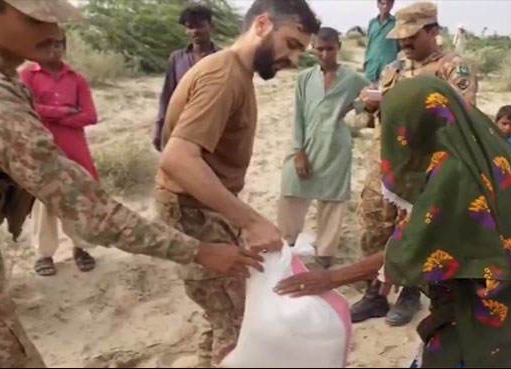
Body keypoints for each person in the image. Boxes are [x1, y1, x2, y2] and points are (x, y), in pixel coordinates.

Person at [0, 0, 262, 367]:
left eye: (58, 22)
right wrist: (200, 251)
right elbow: (94, 215)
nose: (55, 33)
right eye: (37, 19)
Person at [275, 76, 511, 368]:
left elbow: (414, 247)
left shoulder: (454, 170)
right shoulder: (482, 144)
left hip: (495, 304)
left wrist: (330, 279)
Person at [155, 0, 320, 365]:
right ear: (262, 25)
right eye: (291, 44)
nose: (293, 60)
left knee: (221, 314)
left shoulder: (236, 72)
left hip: (208, 209)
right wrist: (251, 221)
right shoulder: (223, 76)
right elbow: (178, 158)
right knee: (237, 325)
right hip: (193, 213)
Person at [351, 1, 479, 327]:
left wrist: (395, 101)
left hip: (425, 170)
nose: (405, 43)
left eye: (412, 36)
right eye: (401, 37)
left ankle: (409, 294)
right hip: (383, 167)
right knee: (373, 228)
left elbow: (458, 115)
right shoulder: (393, 68)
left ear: (433, 31)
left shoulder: (454, 69)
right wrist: (368, 105)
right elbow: (373, 117)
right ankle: (374, 295)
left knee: (413, 235)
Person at [278, 27, 369, 269]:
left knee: (332, 200)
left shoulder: (352, 79)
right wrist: (298, 151)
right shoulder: (305, 78)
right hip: (306, 144)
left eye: (330, 49)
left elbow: (373, 98)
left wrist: (357, 107)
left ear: (338, 47)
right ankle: (285, 245)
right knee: (291, 188)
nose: (325, 53)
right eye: (320, 48)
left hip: (335, 147)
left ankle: (325, 255)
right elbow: (299, 116)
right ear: (313, 48)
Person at [19, 34, 100, 276]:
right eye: (45, 44)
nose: (52, 50)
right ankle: (44, 255)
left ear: (64, 47)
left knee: (78, 198)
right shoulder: (26, 76)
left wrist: (48, 114)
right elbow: (26, 108)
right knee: (44, 202)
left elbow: (90, 116)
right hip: (40, 147)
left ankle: (81, 248)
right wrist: (63, 111)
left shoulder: (77, 79)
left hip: (74, 148)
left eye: (57, 44)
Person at [153, 4, 221, 152]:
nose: (195, 31)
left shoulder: (223, 58)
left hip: (215, 129)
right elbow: (167, 95)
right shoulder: (177, 58)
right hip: (182, 127)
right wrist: (159, 128)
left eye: (200, 26)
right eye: (190, 27)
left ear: (212, 26)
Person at [363, 0, 400, 84]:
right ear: (378, 4)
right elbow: (369, 43)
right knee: (369, 92)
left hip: (387, 66)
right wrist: (366, 61)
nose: (385, 7)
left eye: (388, 4)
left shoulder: (396, 23)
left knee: (385, 92)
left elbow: (399, 46)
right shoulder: (372, 23)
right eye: (383, 4)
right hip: (371, 66)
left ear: (392, 5)